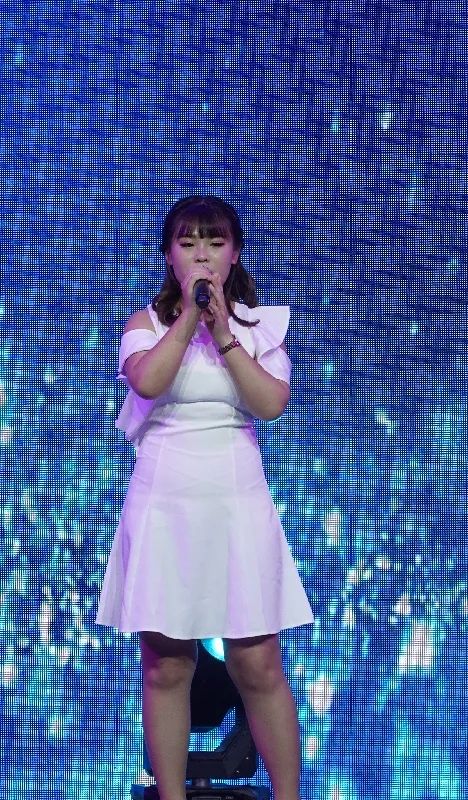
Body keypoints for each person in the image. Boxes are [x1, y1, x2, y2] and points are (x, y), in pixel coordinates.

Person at [96, 196, 313, 800]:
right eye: (188, 242)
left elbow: (269, 404)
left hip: (236, 501)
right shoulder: (145, 325)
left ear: (234, 253)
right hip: (164, 502)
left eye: (215, 243)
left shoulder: (258, 328)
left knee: (258, 662)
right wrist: (190, 317)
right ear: (169, 255)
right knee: (167, 664)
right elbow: (149, 381)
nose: (202, 254)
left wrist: (222, 330)